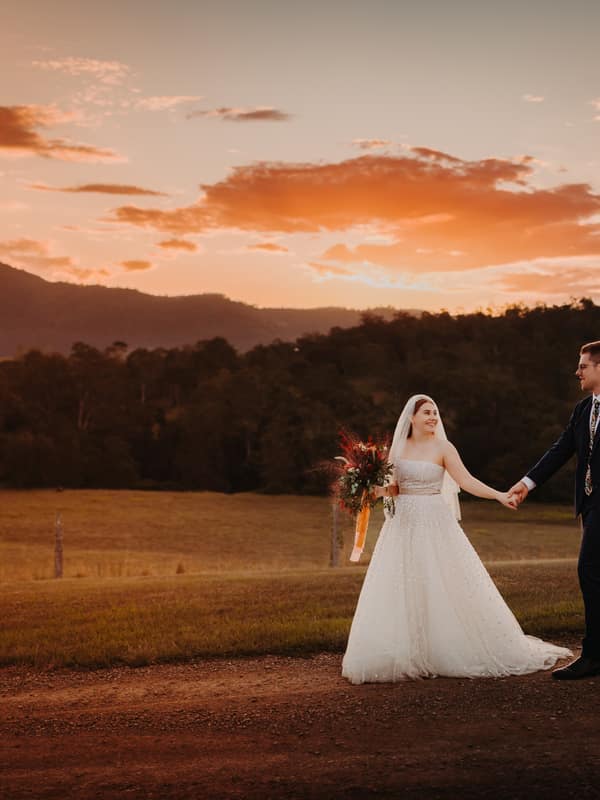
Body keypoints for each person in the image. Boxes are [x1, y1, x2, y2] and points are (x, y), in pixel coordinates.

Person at [341, 394, 571, 684]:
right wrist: (366, 488)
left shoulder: (443, 447)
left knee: (442, 581)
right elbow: (393, 489)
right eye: (427, 412)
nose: (433, 417)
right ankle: (408, 650)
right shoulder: (397, 448)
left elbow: (467, 481)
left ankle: (447, 648)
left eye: (435, 412)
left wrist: (499, 495)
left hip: (435, 521)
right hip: (402, 524)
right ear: (411, 418)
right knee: (402, 583)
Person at [509, 340, 600, 680]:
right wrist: (527, 483)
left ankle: (593, 656)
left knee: (589, 570)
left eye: (583, 366)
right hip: (590, 505)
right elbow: (561, 449)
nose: (577, 371)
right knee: (593, 574)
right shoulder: (582, 409)